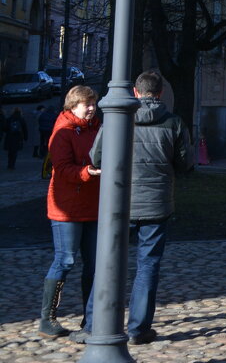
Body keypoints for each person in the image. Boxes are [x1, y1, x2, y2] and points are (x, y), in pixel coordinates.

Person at [86, 70, 189, 346]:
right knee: (148, 266)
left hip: (119, 202)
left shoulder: (117, 118)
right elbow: (185, 164)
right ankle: (138, 328)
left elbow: (95, 157)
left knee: (107, 262)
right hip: (156, 204)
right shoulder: (173, 122)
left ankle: (96, 322)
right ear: (160, 93)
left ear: (135, 92)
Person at [39, 86, 101, 338]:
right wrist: (87, 172)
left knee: (96, 265)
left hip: (95, 207)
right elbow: (62, 168)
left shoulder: (97, 127)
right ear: (73, 105)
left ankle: (92, 319)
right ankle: (47, 319)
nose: (92, 108)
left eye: (94, 103)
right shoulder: (62, 131)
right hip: (67, 208)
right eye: (87, 104)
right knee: (65, 260)